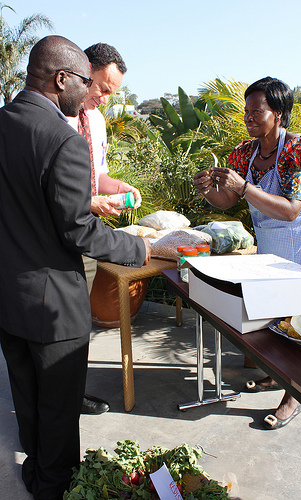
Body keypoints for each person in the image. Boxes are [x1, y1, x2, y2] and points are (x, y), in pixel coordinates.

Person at [0, 35, 151, 499]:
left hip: (8, 297)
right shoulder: (62, 139)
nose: (88, 92)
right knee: (61, 408)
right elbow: (78, 230)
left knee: (27, 397)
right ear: (60, 78)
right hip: (52, 309)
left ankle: (34, 469)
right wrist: (137, 248)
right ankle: (52, 485)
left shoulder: (3, 122)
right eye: (85, 81)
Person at [193, 76, 301, 430]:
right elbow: (228, 201)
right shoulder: (244, 152)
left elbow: (290, 209)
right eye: (247, 110)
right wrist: (209, 190)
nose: (249, 116)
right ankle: (278, 376)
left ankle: (295, 395)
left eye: (258, 110)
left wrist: (245, 186)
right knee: (275, 316)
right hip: (271, 243)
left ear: (279, 114)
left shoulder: (298, 147)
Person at [67, 42, 142, 415]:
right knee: (56, 322)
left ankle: (70, 391)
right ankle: (51, 394)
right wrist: (88, 201)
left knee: (79, 320)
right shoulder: (55, 116)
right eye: (102, 87)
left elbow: (97, 176)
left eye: (112, 92)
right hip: (53, 234)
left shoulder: (95, 121)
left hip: (87, 234)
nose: (105, 98)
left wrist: (120, 189)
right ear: (83, 72)